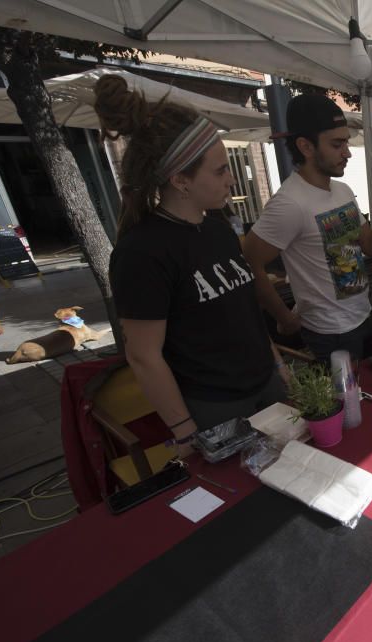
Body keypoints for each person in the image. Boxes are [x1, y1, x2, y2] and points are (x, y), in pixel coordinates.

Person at [94, 74, 289, 442]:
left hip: (266, 386)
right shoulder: (142, 252)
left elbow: (244, 311)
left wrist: (277, 362)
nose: (231, 179)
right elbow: (143, 356)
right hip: (215, 407)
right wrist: (184, 432)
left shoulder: (218, 228)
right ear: (181, 180)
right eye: (219, 170)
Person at [243, 95, 372, 364]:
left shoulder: (341, 190)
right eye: (337, 144)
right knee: (351, 404)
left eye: (346, 142)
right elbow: (250, 261)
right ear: (305, 146)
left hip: (364, 317)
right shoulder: (289, 203)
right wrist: (283, 317)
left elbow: (370, 245)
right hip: (328, 333)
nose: (348, 152)